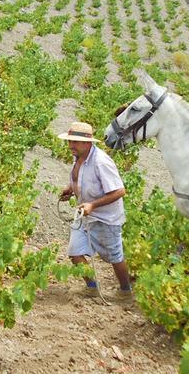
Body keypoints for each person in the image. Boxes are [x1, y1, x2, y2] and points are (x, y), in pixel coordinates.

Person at [57, 121, 132, 301]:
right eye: (69, 141)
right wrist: (70, 189)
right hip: (84, 215)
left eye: (74, 142)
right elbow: (82, 179)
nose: (70, 145)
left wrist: (93, 205)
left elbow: (120, 191)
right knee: (74, 252)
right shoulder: (79, 157)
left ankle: (126, 291)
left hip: (106, 218)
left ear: (88, 143)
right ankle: (92, 287)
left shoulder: (101, 162)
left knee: (115, 257)